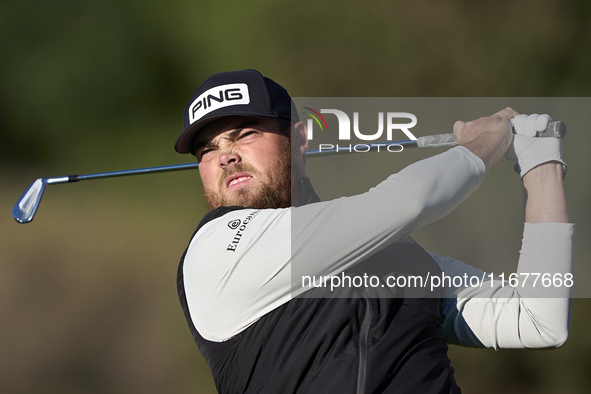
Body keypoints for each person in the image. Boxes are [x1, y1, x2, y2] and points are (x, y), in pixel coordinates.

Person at [174, 69, 574, 393]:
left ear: (299, 139)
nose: (225, 155)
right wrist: (490, 139)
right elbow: (409, 202)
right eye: (207, 149)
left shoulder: (399, 256)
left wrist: (542, 165)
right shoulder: (218, 249)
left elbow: (537, 318)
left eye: (245, 132)